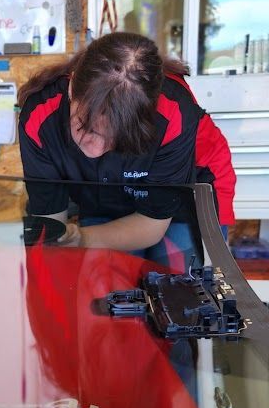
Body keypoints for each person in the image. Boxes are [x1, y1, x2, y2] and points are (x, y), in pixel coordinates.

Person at [18, 32, 235, 258]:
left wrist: (83, 237)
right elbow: (51, 225)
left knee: (179, 280)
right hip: (102, 191)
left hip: (187, 191)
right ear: (72, 88)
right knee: (102, 282)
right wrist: (66, 242)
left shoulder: (173, 115)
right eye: (86, 127)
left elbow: (152, 225)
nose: (95, 150)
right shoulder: (40, 117)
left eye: (116, 139)